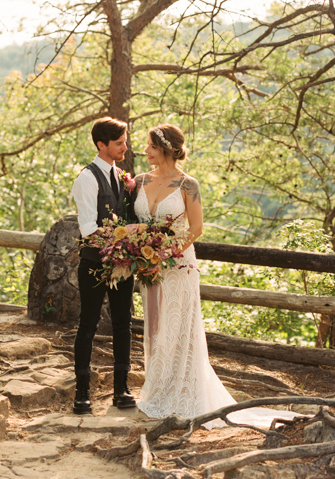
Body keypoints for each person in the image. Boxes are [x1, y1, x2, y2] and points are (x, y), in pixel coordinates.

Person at [133, 124, 299, 427]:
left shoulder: (188, 184)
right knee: (155, 326)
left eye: (151, 147)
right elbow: (135, 222)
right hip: (148, 267)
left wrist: (165, 254)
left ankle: (181, 392)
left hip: (178, 266)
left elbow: (196, 229)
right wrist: (141, 252)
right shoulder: (140, 181)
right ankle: (156, 389)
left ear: (167, 150)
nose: (145, 151)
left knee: (177, 328)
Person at [71, 117, 137, 415]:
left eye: (125, 141)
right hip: (94, 264)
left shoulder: (121, 176)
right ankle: (82, 393)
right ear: (102, 145)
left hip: (122, 264)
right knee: (88, 325)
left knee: (124, 323)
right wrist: (125, 237)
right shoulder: (86, 178)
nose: (125, 147)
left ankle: (121, 389)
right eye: (119, 143)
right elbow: (87, 228)